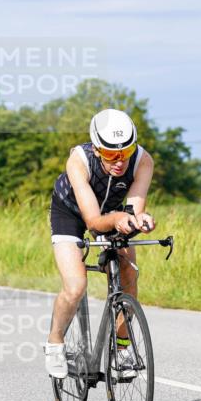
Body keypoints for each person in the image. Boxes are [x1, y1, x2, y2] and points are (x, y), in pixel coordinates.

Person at [44, 109, 156, 378]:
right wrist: (119, 218)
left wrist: (140, 220)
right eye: (110, 154)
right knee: (76, 286)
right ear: (96, 149)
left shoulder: (142, 161)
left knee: (127, 271)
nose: (119, 162)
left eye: (125, 152)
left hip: (113, 212)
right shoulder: (78, 161)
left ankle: (123, 346)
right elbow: (94, 221)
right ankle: (55, 342)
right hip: (71, 213)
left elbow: (132, 209)